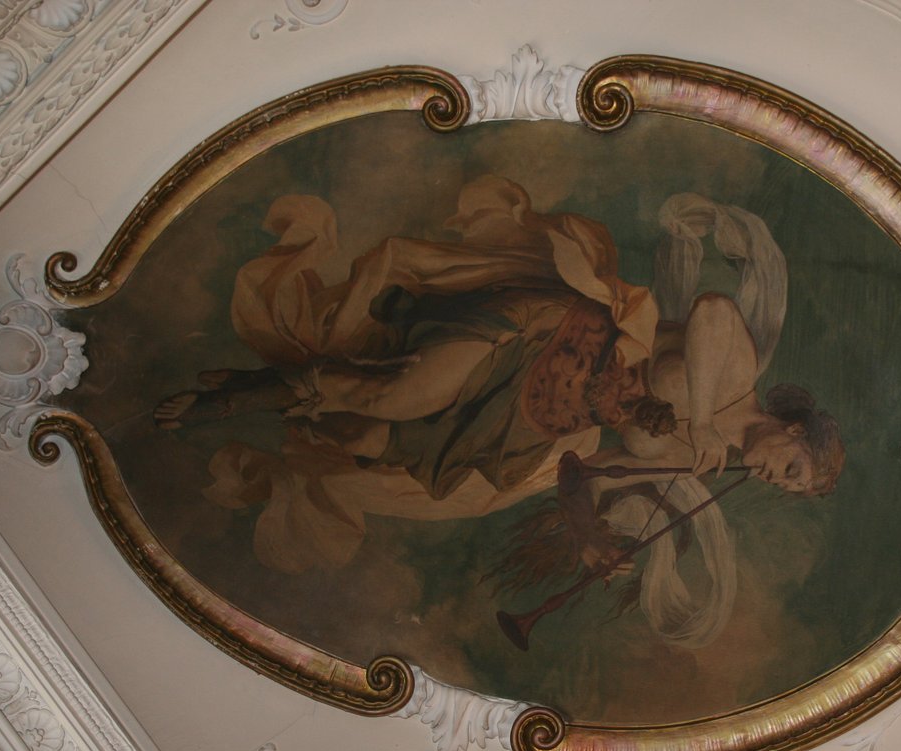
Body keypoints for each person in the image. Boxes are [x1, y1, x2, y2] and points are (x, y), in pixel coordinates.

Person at [154, 176, 844, 576]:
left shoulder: (697, 461)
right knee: (397, 396)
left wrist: (588, 535)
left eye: (786, 487)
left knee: (363, 437)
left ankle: (263, 386)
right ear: (792, 429)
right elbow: (713, 311)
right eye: (791, 469)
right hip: (551, 340)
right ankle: (239, 397)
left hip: (534, 421)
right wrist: (701, 414)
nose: (773, 479)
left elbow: (589, 471)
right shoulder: (738, 374)